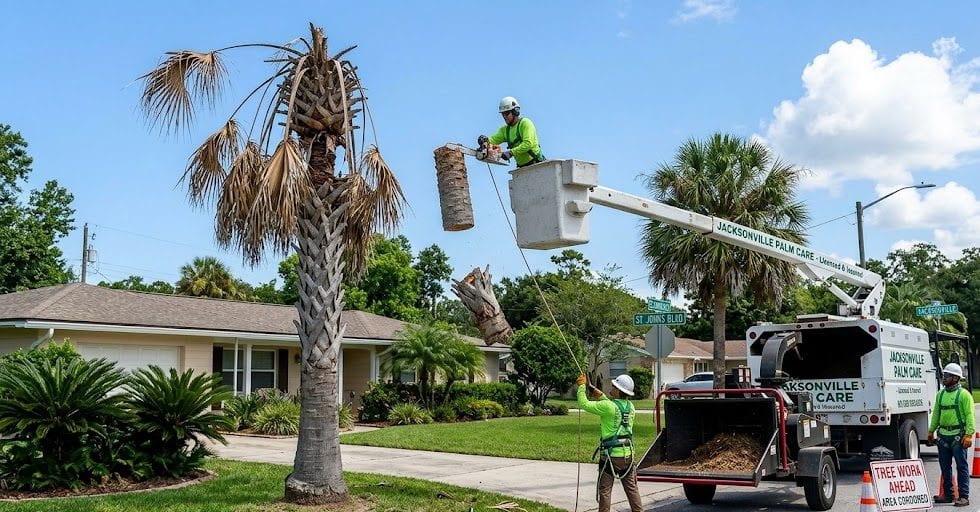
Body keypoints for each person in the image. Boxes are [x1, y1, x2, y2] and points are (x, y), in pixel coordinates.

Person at [576, 373, 643, 512]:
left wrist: (581, 386)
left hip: (610, 458)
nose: (611, 387)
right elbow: (614, 407)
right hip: (627, 457)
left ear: (618, 390)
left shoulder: (607, 407)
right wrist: (599, 394)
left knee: (605, 491)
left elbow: (584, 404)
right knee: (632, 490)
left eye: (614, 386)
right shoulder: (631, 407)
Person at [928, 362, 975, 507]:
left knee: (961, 466)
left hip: (958, 437)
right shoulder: (940, 394)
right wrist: (931, 430)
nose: (944, 378)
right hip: (943, 436)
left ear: (955, 378)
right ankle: (948, 495)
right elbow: (936, 413)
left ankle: (964, 496)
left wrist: (968, 434)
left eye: (947, 375)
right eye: (944, 375)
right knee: (944, 466)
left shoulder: (964, 395)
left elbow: (969, 416)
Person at [477, 96, 545, 167]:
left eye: (506, 113)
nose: (504, 116)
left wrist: (510, 152)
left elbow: (528, 144)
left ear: (515, 112)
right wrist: (485, 141)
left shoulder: (525, 123)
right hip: (522, 168)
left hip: (537, 164)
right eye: (503, 114)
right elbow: (493, 139)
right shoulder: (505, 130)